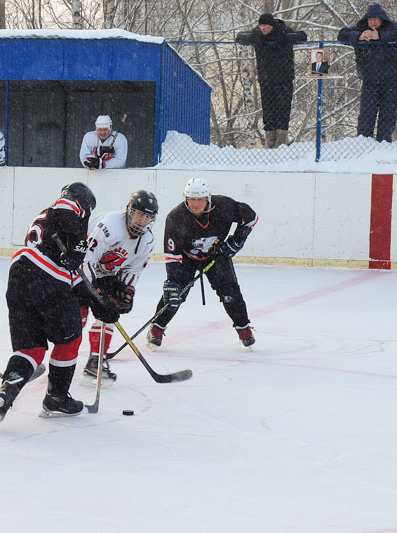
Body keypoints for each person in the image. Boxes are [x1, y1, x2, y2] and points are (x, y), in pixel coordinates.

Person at [0, 182, 108, 424]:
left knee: (30, 349)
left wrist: (98, 302)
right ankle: (57, 397)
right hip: (47, 277)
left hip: (19, 276)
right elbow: (65, 207)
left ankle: (8, 388)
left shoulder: (52, 227)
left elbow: (76, 279)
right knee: (70, 338)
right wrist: (77, 243)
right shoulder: (68, 206)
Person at [146, 177, 258, 350]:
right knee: (175, 295)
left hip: (216, 256)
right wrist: (173, 281)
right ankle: (156, 328)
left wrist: (237, 240)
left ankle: (243, 328)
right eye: (191, 199)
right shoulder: (176, 218)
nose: (195, 203)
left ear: (208, 198)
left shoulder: (224, 206)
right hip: (186, 259)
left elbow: (251, 218)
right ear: (186, 199)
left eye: (200, 199)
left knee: (230, 293)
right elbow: (173, 254)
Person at [76, 190, 158, 384]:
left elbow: (133, 270)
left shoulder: (147, 241)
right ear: (129, 211)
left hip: (104, 274)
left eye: (147, 216)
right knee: (75, 317)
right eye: (139, 214)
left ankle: (96, 360)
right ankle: (57, 358)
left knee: (111, 308)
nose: (141, 220)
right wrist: (95, 292)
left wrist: (127, 291)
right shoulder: (110, 226)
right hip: (77, 268)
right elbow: (86, 260)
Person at [235, 13, 307, 149]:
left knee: (283, 111)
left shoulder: (283, 32)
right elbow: (240, 37)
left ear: (272, 25)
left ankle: (281, 143)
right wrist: (256, 37)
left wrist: (285, 39)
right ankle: (270, 143)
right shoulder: (258, 35)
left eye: (265, 25)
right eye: (260, 25)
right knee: (268, 112)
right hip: (265, 80)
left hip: (284, 80)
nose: (263, 28)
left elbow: (303, 35)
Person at [338, 3, 397, 142]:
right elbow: (342, 34)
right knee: (367, 114)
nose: (373, 22)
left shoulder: (392, 27)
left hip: (390, 81)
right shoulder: (361, 28)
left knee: (388, 114)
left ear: (382, 19)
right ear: (366, 20)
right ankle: (364, 143)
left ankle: (384, 143)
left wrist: (379, 36)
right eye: (370, 19)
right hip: (369, 81)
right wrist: (359, 36)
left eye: (376, 19)